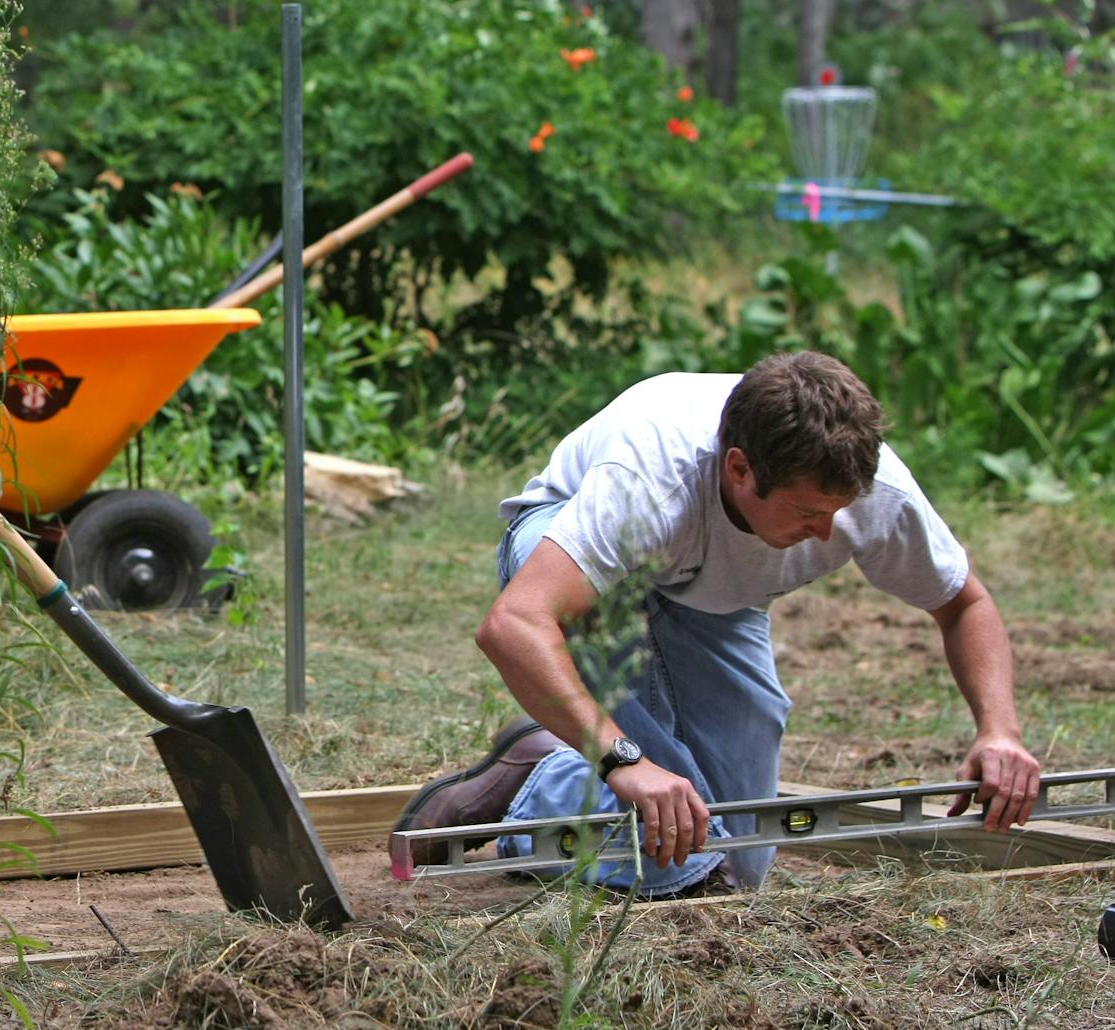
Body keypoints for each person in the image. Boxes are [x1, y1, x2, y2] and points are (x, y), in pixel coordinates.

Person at [393, 351, 1042, 896]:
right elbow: (515, 624)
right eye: (809, 511)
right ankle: (573, 762)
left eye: (839, 509)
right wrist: (627, 760)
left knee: (738, 850)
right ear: (739, 469)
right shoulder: (651, 478)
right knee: (689, 863)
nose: (827, 530)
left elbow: (965, 603)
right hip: (579, 566)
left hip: (713, 596)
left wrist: (1000, 729)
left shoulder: (872, 494)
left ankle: (540, 772)